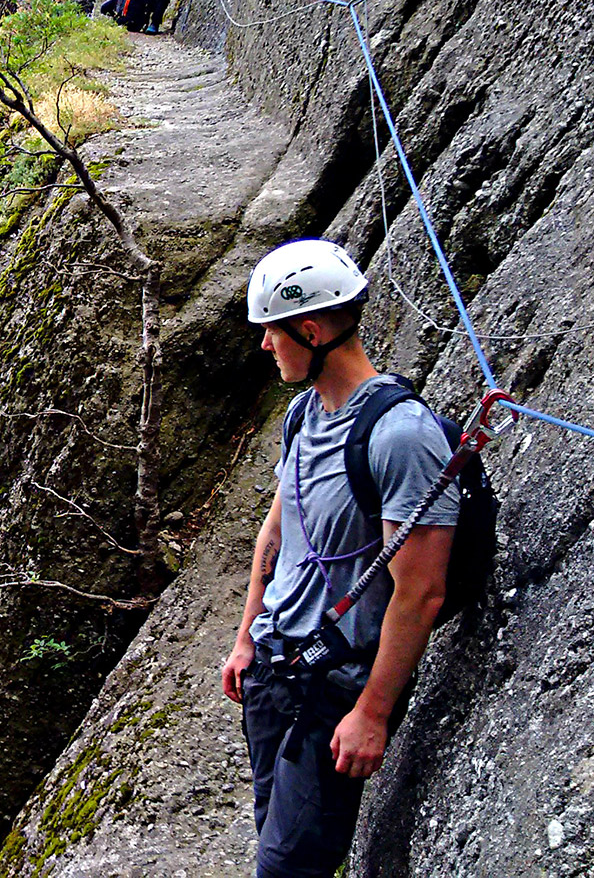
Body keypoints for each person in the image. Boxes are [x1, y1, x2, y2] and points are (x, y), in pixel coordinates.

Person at [222, 239, 458, 877]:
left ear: (311, 327)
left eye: (272, 332)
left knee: (287, 868)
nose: (265, 347)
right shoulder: (305, 412)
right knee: (273, 832)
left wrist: (372, 713)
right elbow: (277, 533)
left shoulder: (400, 436)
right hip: (276, 673)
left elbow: (421, 591)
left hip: (332, 692)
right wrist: (247, 639)